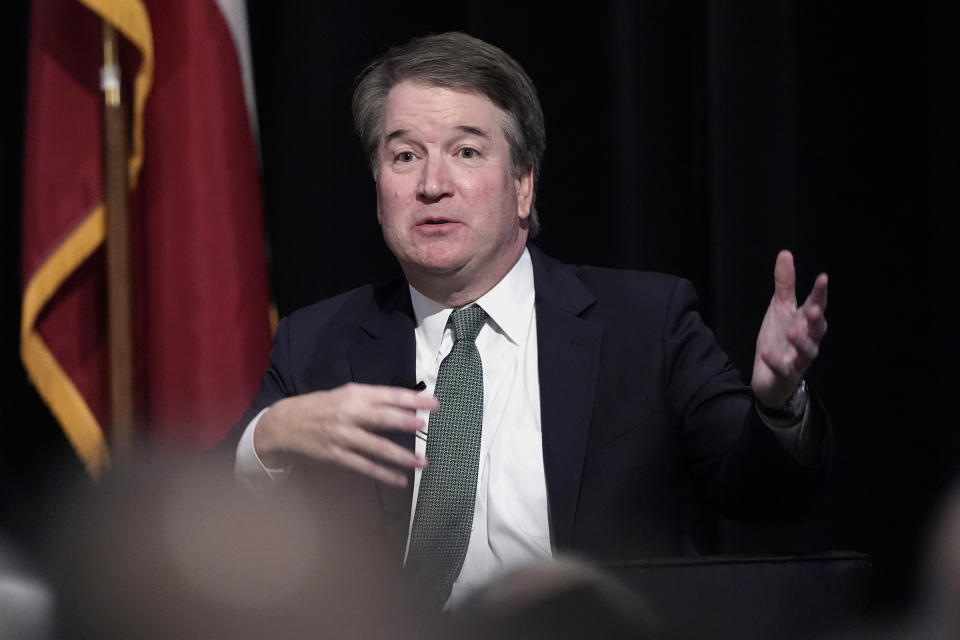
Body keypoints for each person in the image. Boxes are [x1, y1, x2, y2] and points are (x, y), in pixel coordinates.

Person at [226, 31, 830, 609]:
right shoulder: (317, 344)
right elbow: (197, 539)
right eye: (405, 155)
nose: (433, 185)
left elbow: (766, 494)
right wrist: (270, 437)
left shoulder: (645, 325)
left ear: (522, 185)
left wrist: (778, 405)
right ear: (377, 186)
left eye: (466, 152)